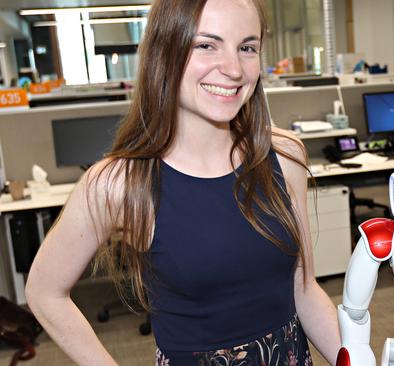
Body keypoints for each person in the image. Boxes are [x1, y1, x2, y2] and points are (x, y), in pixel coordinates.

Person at [24, 0, 341, 364]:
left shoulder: (284, 156)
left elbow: (304, 290)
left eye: (247, 47)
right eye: (206, 45)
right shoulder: (121, 183)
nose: (234, 69)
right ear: (165, 50)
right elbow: (45, 291)